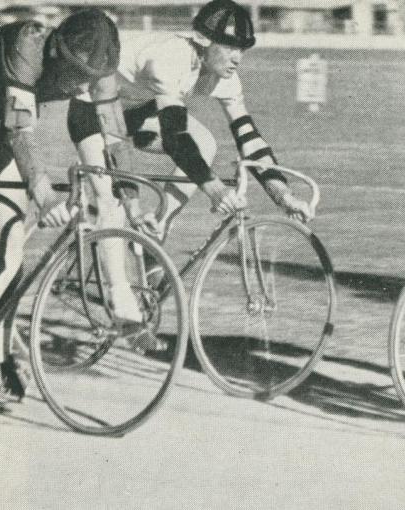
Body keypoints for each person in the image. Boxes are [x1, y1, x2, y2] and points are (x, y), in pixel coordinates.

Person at [66, 0, 312, 350]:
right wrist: (214, 190)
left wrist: (282, 195)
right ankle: (123, 309)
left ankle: (156, 232)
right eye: (228, 47)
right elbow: (175, 139)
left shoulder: (224, 76)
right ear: (202, 41)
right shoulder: (172, 58)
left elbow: (249, 139)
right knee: (112, 199)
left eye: (241, 49)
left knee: (207, 143)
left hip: (133, 112)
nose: (237, 58)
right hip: (93, 109)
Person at [0, 8, 132, 399]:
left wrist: (116, 188)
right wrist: (44, 191)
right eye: (72, 71)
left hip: (0, 131)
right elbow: (19, 130)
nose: (78, 84)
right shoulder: (27, 43)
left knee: (12, 235)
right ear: (56, 50)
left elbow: (105, 133)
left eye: (88, 77)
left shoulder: (98, 73)